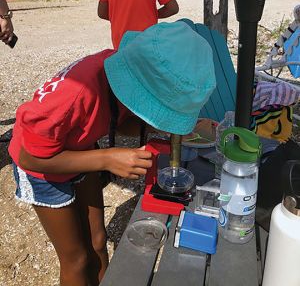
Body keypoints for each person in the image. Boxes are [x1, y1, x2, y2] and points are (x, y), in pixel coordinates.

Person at [9, 21, 216, 286]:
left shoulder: (125, 72)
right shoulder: (74, 94)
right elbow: (29, 157)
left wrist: (166, 128)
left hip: (81, 150)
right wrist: (108, 158)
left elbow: (121, 117)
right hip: (42, 169)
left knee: (97, 240)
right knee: (77, 259)